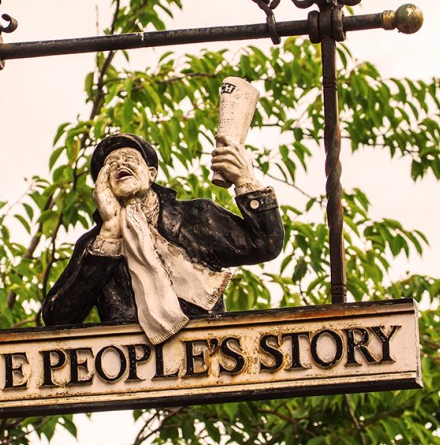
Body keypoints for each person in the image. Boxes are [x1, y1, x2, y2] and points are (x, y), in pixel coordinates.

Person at [40, 132, 285, 344]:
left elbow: (265, 244)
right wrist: (110, 232)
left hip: (207, 357)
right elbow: (57, 317)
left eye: (129, 159)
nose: (119, 164)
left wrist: (245, 180)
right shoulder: (96, 245)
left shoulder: (197, 216)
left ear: (151, 173)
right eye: (110, 163)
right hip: (135, 374)